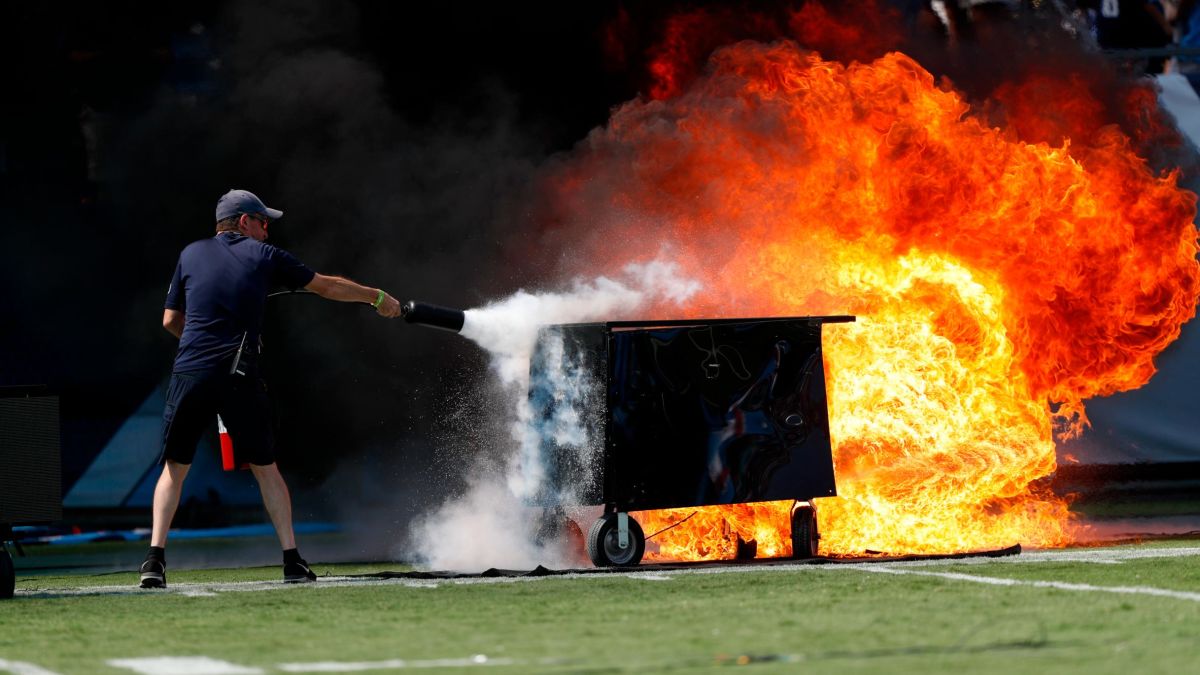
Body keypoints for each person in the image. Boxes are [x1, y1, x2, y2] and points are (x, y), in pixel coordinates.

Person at [139, 189, 401, 588]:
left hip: (189, 371)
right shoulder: (265, 256)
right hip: (238, 375)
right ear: (244, 221)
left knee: (175, 469)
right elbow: (327, 286)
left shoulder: (190, 254)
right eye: (263, 222)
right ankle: (292, 561)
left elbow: (170, 319)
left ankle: (153, 563)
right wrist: (377, 297)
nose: (267, 231)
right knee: (266, 469)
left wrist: (199, 347)